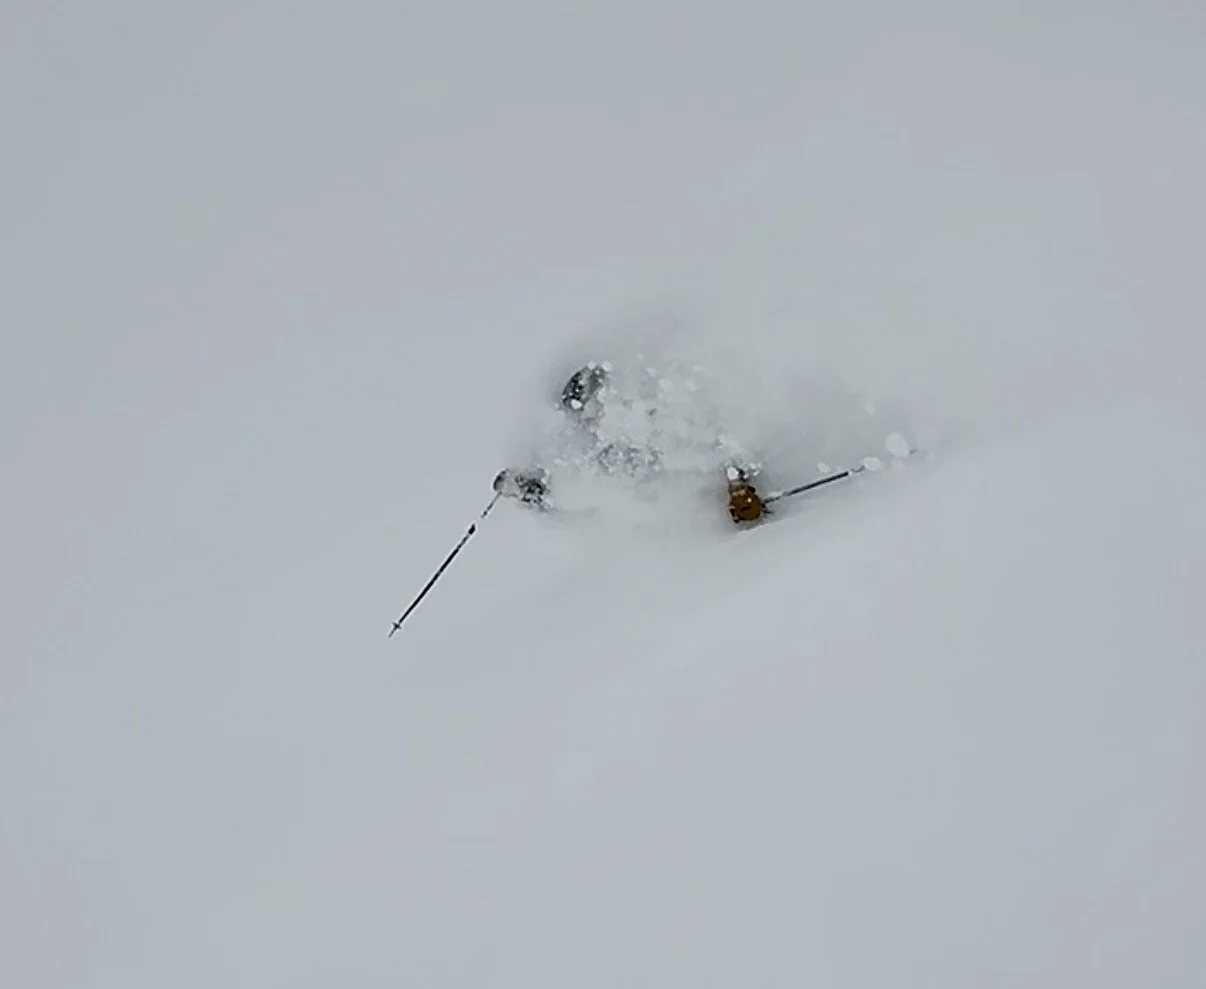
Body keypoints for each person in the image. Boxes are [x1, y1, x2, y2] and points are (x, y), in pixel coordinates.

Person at [494, 362, 767, 524]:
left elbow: (726, 451)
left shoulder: (696, 440)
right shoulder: (582, 468)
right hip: (631, 459)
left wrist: (737, 484)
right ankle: (534, 489)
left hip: (649, 458)